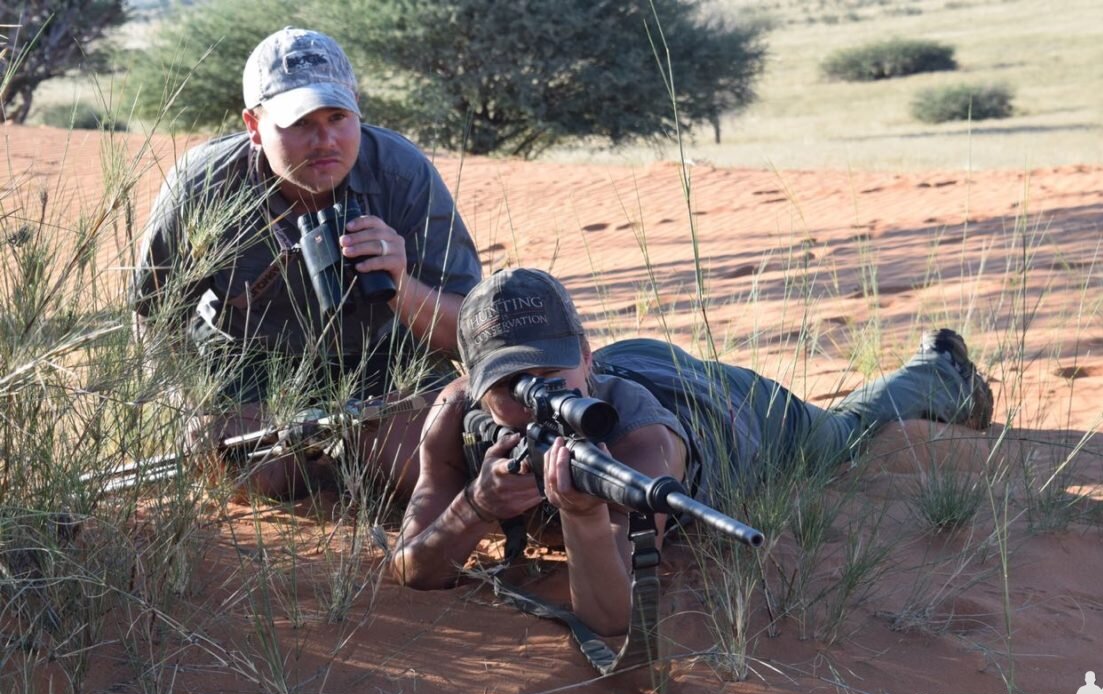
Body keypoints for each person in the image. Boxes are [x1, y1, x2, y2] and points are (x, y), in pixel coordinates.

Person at [387, 268, 993, 636]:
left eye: (554, 374)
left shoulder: (643, 445)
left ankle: (940, 371)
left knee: (841, 436)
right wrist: (474, 505)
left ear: (585, 355)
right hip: (633, 367)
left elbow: (611, 618)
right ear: (473, 385)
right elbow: (412, 568)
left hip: (726, 410)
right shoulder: (455, 416)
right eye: (511, 387)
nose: (537, 398)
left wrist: (582, 513)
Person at [131, 28, 481, 502]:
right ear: (254, 126)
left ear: (357, 107)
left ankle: (364, 451)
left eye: (338, 117)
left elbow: (466, 328)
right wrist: (186, 403)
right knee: (238, 473)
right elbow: (155, 314)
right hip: (250, 357)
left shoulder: (402, 173)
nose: (325, 140)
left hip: (381, 354)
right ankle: (324, 467)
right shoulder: (202, 184)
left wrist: (400, 284)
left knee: (421, 471)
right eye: (300, 123)